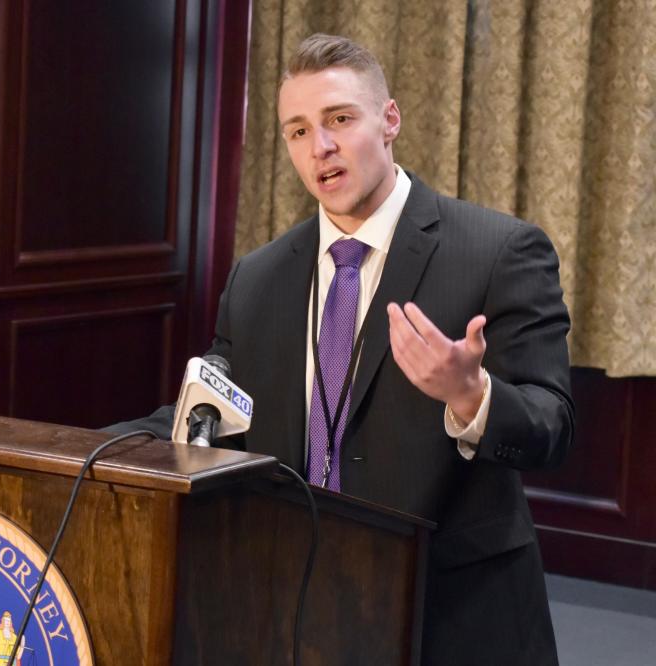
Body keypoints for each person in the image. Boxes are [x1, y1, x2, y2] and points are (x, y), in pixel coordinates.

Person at [109, 33, 573, 665]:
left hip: (453, 619)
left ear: (389, 120)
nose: (319, 147)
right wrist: (86, 448)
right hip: (296, 609)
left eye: (339, 120)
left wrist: (473, 395)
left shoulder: (499, 251)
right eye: (297, 131)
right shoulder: (259, 277)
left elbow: (553, 426)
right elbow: (216, 410)